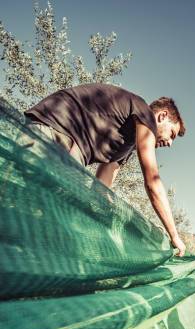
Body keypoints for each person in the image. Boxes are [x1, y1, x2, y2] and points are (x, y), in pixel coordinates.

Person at [24, 83, 186, 256]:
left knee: (46, 214)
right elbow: (152, 182)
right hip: (56, 130)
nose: (169, 143)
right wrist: (174, 235)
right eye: (172, 135)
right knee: (50, 215)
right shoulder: (143, 112)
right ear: (162, 116)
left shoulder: (125, 145)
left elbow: (100, 189)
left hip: (63, 143)